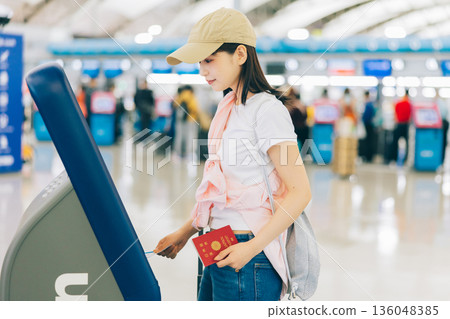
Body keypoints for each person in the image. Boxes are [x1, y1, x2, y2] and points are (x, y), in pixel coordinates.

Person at [154, 8, 312, 301]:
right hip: (217, 244)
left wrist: (251, 249)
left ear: (240, 54)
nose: (203, 71)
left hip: (248, 251)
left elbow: (300, 192)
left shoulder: (267, 110)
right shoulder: (228, 107)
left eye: (209, 60)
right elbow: (221, 190)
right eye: (201, 62)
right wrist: (186, 232)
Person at [173, 85, 200, 161]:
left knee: (179, 137)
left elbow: (174, 105)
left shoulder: (180, 96)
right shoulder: (191, 96)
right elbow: (195, 108)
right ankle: (188, 154)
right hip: (190, 120)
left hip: (180, 120)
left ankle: (178, 154)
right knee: (190, 138)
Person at [393, 89, 412, 165]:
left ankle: (394, 159)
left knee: (395, 142)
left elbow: (395, 115)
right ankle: (406, 159)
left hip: (399, 124)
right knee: (407, 143)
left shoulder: (398, 104)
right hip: (406, 125)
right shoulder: (410, 105)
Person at [361, 90, 376, 162]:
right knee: (370, 141)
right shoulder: (371, 104)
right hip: (370, 125)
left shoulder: (367, 104)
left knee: (367, 141)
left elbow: (366, 116)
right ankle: (369, 156)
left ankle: (367, 157)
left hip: (367, 125)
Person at [436, 92, 449, 163]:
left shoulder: (438, 103)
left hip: (441, 123)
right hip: (445, 123)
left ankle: (440, 158)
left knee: (441, 141)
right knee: (443, 141)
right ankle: (441, 158)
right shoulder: (442, 102)